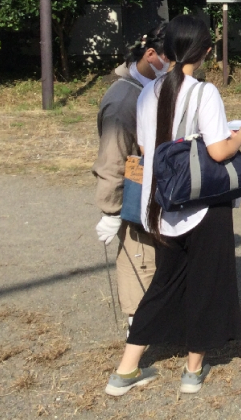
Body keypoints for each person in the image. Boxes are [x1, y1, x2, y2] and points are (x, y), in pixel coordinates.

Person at [104, 15, 241, 397]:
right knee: (206, 284)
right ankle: (192, 371)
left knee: (163, 285)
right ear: (205, 51)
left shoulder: (146, 92)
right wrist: (240, 137)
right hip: (202, 203)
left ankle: (125, 370)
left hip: (163, 204)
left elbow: (145, 147)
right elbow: (218, 151)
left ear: (167, 49)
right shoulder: (205, 93)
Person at [93, 27, 168, 328]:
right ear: (151, 55)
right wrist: (111, 210)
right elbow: (113, 158)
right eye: (170, 59)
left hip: (158, 192)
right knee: (140, 261)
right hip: (136, 198)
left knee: (156, 262)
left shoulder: (152, 87)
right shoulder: (124, 100)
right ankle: (138, 334)